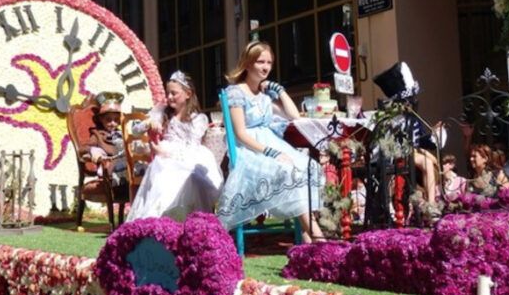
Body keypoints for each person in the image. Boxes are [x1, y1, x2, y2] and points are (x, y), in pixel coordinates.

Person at [215, 40, 325, 243]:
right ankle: (318, 239)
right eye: (260, 62)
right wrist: (271, 153)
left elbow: (294, 115)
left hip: (271, 145)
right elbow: (240, 133)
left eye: (269, 63)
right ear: (248, 63)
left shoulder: (264, 95)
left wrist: (280, 90)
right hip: (249, 151)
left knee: (307, 167)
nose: (265, 67)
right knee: (286, 170)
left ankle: (309, 239)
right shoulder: (236, 92)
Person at [127, 71, 224, 221]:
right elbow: (135, 130)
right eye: (168, 93)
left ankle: (188, 220)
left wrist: (168, 153)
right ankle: (160, 218)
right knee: (164, 172)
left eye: (174, 93)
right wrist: (149, 123)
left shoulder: (198, 119)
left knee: (191, 177)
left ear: (188, 94)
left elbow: (192, 146)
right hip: (164, 159)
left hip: (189, 158)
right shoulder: (163, 112)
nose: (169, 97)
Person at [372, 61, 442, 205]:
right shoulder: (391, 118)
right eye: (409, 99)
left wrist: (434, 135)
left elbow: (420, 139)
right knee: (427, 163)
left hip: (410, 154)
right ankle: (430, 204)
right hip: (394, 155)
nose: (413, 101)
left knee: (431, 162)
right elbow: (390, 144)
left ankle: (431, 201)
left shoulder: (413, 118)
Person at [79, 93, 133, 196]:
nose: (113, 123)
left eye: (116, 120)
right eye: (108, 120)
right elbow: (82, 149)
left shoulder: (122, 134)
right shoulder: (97, 135)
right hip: (110, 171)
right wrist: (93, 150)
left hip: (127, 169)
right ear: (101, 119)